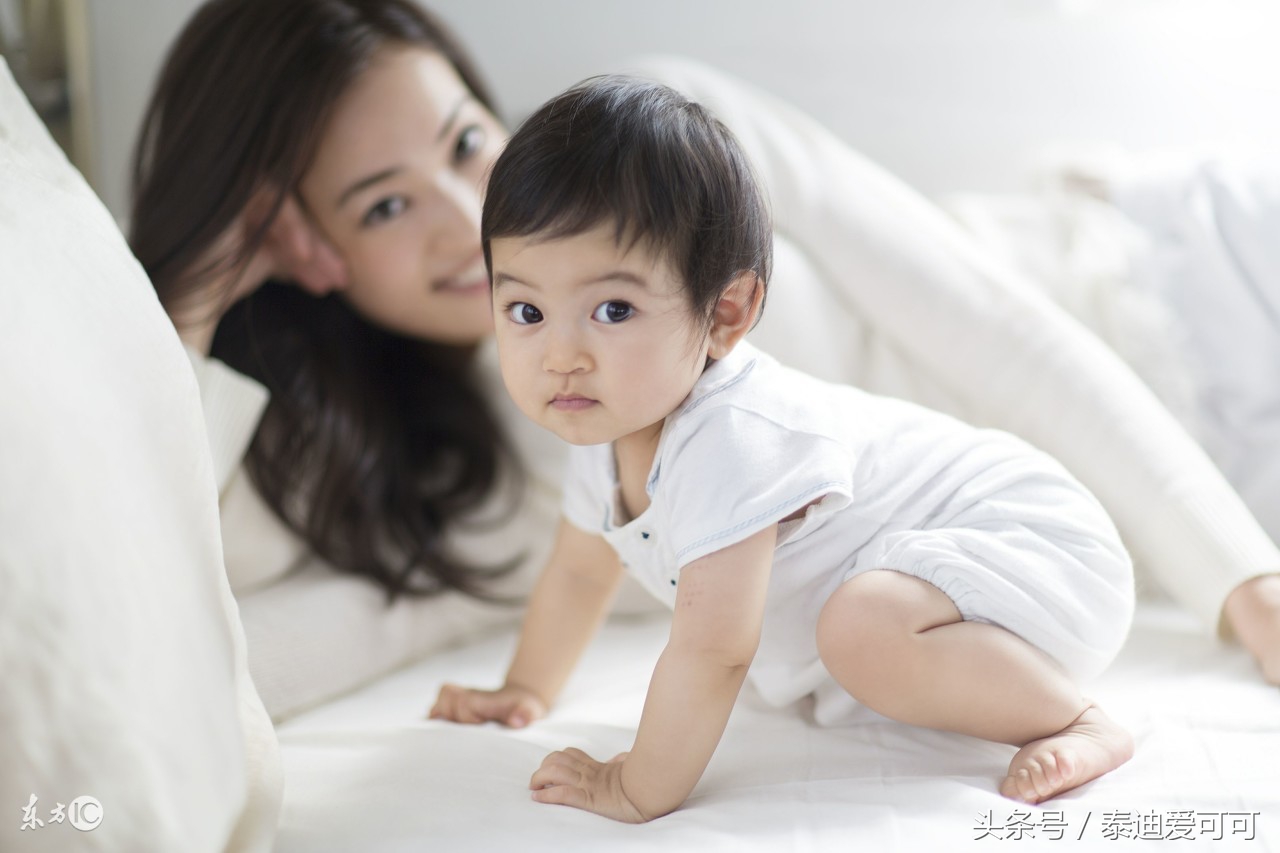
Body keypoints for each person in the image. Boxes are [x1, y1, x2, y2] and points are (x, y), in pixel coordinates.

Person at [130, 0, 1280, 722]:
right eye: (382, 206)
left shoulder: (681, 142)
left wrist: (1240, 577)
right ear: (305, 254)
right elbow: (197, 623)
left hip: (1167, 296)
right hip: (1095, 540)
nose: (465, 212)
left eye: (466, 142)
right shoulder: (487, 482)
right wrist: (188, 300)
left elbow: (1006, 333)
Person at [428, 75, 1137, 818]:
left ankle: (1079, 720)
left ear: (726, 312)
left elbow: (714, 647)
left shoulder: (730, 436)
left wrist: (635, 784)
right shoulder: (603, 418)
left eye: (612, 309)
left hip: (1035, 545)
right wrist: (524, 689)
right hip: (967, 581)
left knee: (864, 631)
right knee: (863, 635)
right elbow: (578, 571)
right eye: (527, 309)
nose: (560, 354)